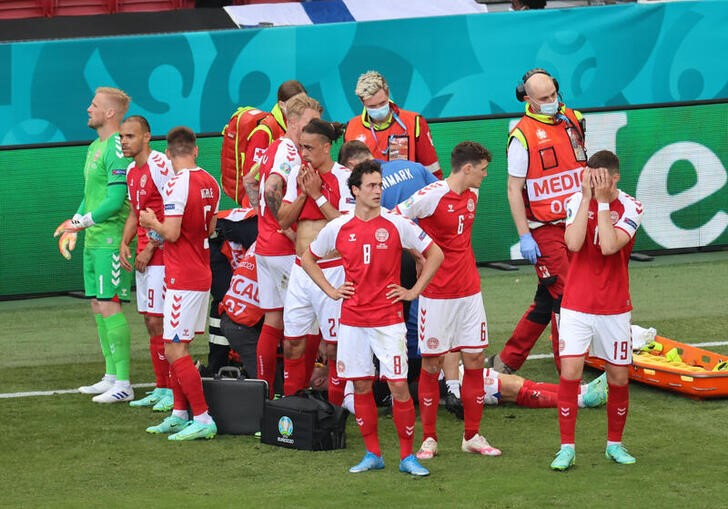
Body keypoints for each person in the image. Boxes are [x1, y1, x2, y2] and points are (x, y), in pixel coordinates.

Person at [302, 159, 444, 476]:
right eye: (371, 185)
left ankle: (408, 457)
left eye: (380, 185)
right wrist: (331, 290)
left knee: (398, 387)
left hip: (389, 321)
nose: (378, 190)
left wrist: (414, 290)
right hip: (352, 322)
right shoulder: (339, 227)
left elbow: (435, 253)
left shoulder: (396, 224)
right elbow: (307, 258)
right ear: (355, 190)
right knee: (362, 386)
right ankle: (373, 454)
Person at [395, 141, 500, 459]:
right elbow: (394, 219)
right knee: (431, 364)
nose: (485, 175)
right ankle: (429, 439)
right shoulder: (430, 196)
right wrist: (417, 251)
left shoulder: (473, 194)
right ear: (467, 168)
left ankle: (472, 436)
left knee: (475, 361)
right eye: (482, 170)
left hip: (469, 292)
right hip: (436, 295)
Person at [488, 68, 587, 375]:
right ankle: (567, 370)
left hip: (574, 222)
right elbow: (513, 189)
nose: (551, 102)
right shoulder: (522, 135)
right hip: (543, 229)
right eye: (543, 98)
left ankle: (505, 362)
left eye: (554, 95)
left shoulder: (575, 119)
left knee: (548, 297)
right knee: (568, 296)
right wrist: (524, 235)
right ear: (527, 98)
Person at [550, 150, 643, 471]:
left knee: (618, 377)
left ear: (614, 178)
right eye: (588, 175)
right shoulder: (575, 202)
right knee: (570, 372)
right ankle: (566, 448)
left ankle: (614, 445)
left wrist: (603, 203)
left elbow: (608, 245)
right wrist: (588, 199)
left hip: (615, 307)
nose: (591, 180)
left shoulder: (631, 206)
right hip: (576, 304)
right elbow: (574, 244)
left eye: (598, 176)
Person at [140, 126, 221, 441]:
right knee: (179, 344)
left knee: (173, 347)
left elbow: (171, 234)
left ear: (169, 153)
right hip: (200, 271)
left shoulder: (176, 183)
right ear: (196, 150)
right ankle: (178, 413)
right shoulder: (210, 182)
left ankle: (201, 417)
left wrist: (151, 223)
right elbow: (211, 227)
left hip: (182, 275)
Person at [54, 87, 134, 404]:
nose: (89, 109)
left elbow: (115, 201)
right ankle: (111, 375)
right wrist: (74, 222)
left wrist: (81, 222)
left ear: (110, 113)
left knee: (110, 303)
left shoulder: (117, 146)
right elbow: (91, 194)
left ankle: (124, 382)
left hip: (112, 240)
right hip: (94, 238)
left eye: (95, 105)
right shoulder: (94, 146)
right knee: (98, 304)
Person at [277, 118, 354, 403]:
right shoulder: (298, 174)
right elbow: (283, 219)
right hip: (300, 270)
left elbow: (347, 227)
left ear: (326, 147)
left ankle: (335, 410)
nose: (304, 153)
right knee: (293, 342)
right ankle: (292, 407)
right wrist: (302, 192)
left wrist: (317, 195)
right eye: (301, 147)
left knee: (333, 347)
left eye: (309, 148)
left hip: (333, 271)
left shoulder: (346, 177)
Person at [254, 94, 323, 398]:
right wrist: (285, 223)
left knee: (273, 320)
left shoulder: (272, 147)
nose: (313, 129)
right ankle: (300, 392)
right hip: (284, 249)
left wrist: (265, 221)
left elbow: (248, 181)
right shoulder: (288, 151)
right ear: (292, 122)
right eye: (309, 123)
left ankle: (264, 396)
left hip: (265, 245)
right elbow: (270, 187)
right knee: (309, 322)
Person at [119, 115, 174, 411]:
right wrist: (124, 242)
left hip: (162, 255)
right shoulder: (131, 170)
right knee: (150, 321)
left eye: (130, 136)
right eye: (122, 137)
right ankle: (161, 386)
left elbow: (171, 209)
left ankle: (169, 389)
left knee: (159, 321)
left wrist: (151, 247)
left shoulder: (158, 165)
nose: (125, 141)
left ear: (147, 137)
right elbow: (134, 212)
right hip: (144, 256)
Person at [344, 70, 442, 179]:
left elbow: (431, 169)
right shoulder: (352, 128)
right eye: (372, 106)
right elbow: (348, 175)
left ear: (388, 93)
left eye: (382, 103)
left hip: (408, 193)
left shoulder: (414, 122)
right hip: (370, 193)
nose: (378, 109)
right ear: (362, 102)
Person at [236, 80, 307, 208]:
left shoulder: (299, 127)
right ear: (281, 104)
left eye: (304, 103)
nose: (301, 108)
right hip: (262, 209)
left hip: (285, 204)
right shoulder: (264, 132)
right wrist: (260, 215)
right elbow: (250, 179)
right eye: (296, 104)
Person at [218, 236, 265, 378]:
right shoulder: (279, 247)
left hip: (234, 317)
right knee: (268, 386)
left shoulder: (263, 239)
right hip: (242, 324)